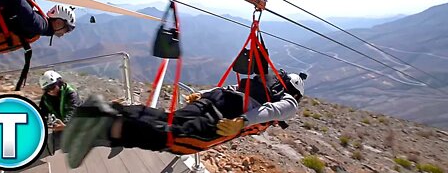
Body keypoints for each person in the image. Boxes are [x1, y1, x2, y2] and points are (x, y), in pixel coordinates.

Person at [61, 69, 307, 168]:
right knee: (171, 138)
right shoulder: (289, 102)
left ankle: (104, 115)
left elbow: (232, 88)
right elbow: (274, 112)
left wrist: (203, 94)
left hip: (216, 101)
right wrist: (242, 122)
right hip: (224, 119)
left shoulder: (259, 85)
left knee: (166, 121)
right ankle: (105, 122)